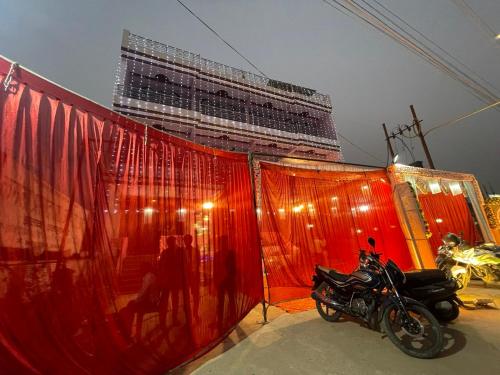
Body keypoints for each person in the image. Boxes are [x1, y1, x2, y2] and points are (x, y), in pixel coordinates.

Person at [183, 234, 201, 320]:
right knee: (187, 297)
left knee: (196, 296)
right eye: (185, 240)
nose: (186, 242)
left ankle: (195, 312)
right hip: (187, 277)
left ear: (191, 240)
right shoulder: (182, 252)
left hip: (193, 276)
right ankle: (189, 314)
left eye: (187, 240)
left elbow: (198, 263)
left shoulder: (195, 251)